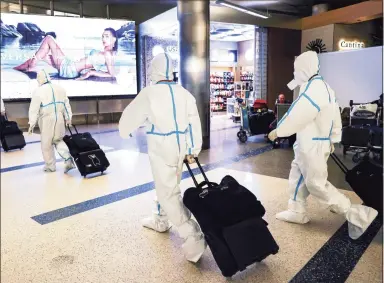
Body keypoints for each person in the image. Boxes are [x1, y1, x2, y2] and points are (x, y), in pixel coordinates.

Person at [268, 51, 378, 240]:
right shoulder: (324, 87)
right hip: (315, 143)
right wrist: (333, 138)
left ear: (304, 69)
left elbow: (298, 114)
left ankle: (356, 214)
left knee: (316, 184)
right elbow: (335, 115)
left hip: (312, 145)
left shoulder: (312, 90)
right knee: (298, 175)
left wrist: (279, 130)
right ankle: (296, 209)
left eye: (297, 69)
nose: (295, 73)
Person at [119, 53, 206, 262]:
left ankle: (192, 235)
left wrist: (125, 131)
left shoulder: (149, 93)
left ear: (153, 70)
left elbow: (129, 119)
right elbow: (195, 121)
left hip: (162, 147)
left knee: (167, 192)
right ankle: (160, 219)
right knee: (169, 186)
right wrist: (194, 148)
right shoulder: (184, 93)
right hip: (181, 147)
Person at [14, 28, 118, 80]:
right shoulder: (106, 53)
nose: (103, 39)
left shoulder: (108, 54)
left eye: (107, 36)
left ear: (114, 39)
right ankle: (19, 68)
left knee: (49, 39)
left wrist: (92, 73)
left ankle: (28, 67)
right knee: (41, 55)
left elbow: (111, 74)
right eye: (103, 36)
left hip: (69, 69)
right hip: (70, 67)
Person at [28, 70, 76, 173]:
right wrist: (68, 118)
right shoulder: (60, 89)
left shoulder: (38, 91)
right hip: (59, 117)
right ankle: (68, 160)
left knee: (46, 144)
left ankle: (50, 166)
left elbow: (34, 109)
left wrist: (32, 123)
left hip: (46, 119)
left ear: (40, 79)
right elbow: (66, 105)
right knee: (58, 140)